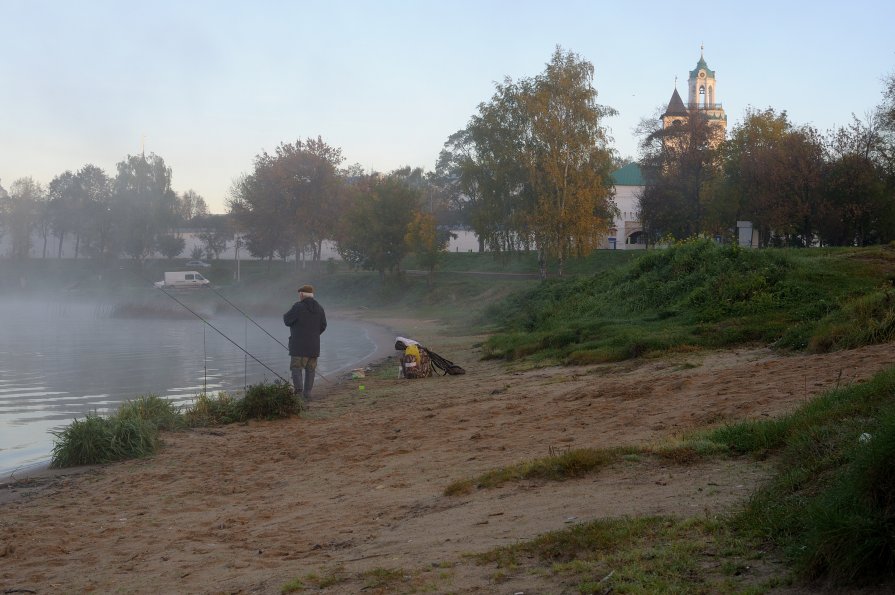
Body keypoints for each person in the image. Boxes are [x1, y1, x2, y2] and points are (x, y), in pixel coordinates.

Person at [283, 284, 327, 400]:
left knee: (296, 368)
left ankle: (298, 394)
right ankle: (307, 394)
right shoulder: (320, 308)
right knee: (310, 370)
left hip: (298, 347)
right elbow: (323, 325)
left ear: (302, 294)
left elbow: (287, 320)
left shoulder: (298, 307)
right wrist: (313, 335)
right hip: (314, 346)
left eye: (299, 294)